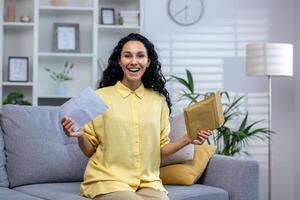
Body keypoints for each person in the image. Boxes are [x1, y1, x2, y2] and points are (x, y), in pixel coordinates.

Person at [61, 33, 211, 200]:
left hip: (149, 183)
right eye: (127, 55)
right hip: (108, 181)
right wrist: (80, 135)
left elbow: (161, 149)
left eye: (140, 55)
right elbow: (90, 151)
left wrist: (187, 139)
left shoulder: (158, 101)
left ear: (148, 62)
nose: (134, 61)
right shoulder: (100, 97)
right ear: (119, 61)